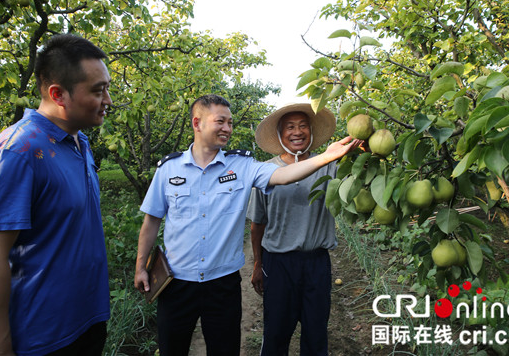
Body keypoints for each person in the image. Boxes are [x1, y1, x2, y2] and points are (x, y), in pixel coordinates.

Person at [134, 94, 360, 356]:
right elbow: (151, 221)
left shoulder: (242, 166)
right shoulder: (169, 169)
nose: (227, 128)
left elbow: (284, 174)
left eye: (230, 123)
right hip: (176, 281)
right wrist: (141, 267)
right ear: (197, 123)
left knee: (225, 349)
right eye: (221, 121)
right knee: (173, 349)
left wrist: (327, 156)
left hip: (222, 284)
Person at [0, 34, 112, 356]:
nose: (108, 100)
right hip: (43, 338)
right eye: (98, 91)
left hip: (87, 322)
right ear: (58, 94)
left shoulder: (79, 142)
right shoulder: (19, 151)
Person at [247, 103, 352, 355]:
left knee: (316, 333)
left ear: (311, 132)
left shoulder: (329, 165)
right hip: (278, 263)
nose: (297, 132)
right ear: (281, 134)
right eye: (290, 127)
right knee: (276, 332)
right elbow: (257, 225)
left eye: (303, 126)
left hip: (316, 262)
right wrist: (257, 264)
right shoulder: (267, 171)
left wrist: (365, 149)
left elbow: (358, 177)